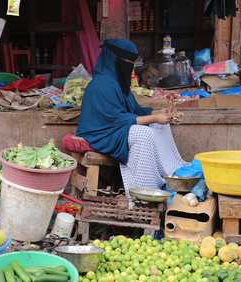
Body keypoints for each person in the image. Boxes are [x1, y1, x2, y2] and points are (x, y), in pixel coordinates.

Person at [77, 39, 186, 195]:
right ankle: (143, 192)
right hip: (100, 134)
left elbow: (135, 111)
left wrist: (161, 113)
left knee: (160, 125)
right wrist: (155, 118)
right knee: (143, 133)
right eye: (127, 62)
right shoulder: (101, 85)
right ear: (113, 60)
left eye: (132, 62)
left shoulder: (118, 83)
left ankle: (174, 172)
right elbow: (118, 120)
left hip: (115, 129)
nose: (130, 67)